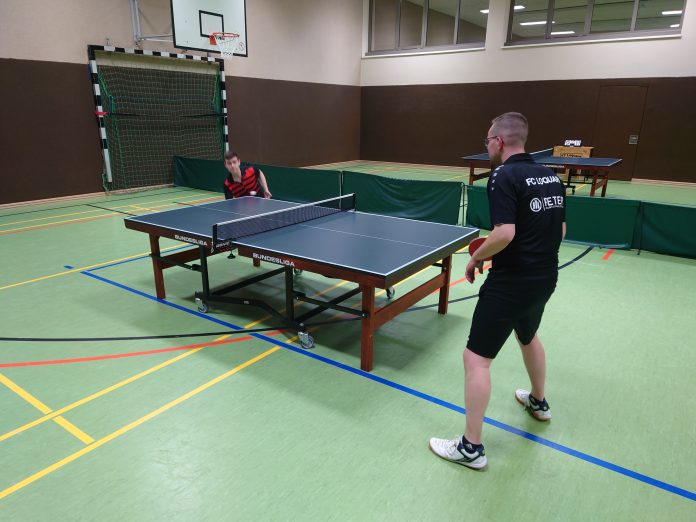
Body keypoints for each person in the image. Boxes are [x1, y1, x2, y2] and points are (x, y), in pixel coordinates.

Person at [429, 112, 566, 470]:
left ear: (500, 141)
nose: (487, 146)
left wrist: (476, 258)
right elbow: (561, 230)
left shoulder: (502, 175)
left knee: (476, 359)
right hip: (544, 277)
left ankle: (470, 448)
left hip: (511, 283)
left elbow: (504, 233)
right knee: (528, 334)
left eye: (487, 140)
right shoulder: (550, 175)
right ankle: (538, 402)